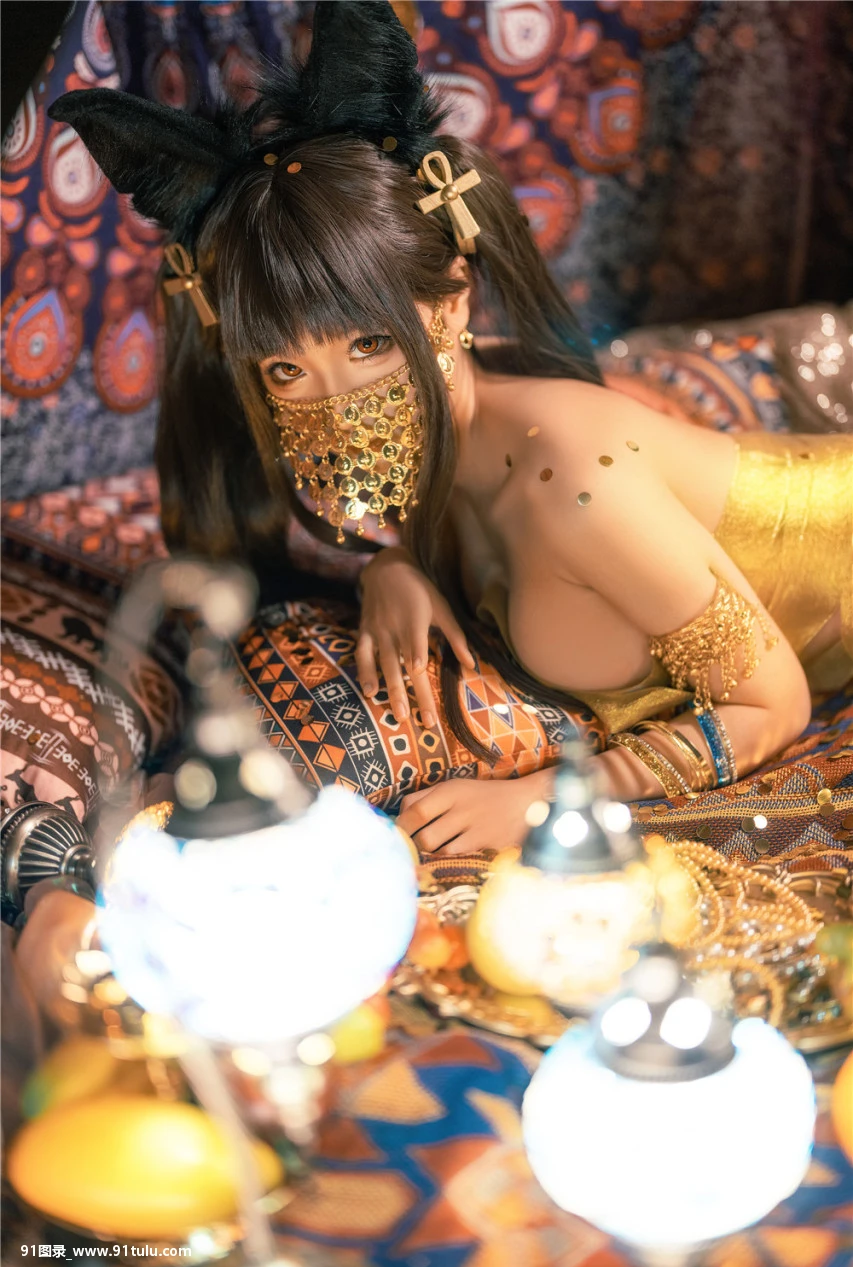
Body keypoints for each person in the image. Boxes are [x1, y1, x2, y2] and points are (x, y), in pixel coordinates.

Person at [46, 1, 852, 861]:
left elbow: (771, 704)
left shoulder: (577, 491)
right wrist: (393, 565)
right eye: (285, 370)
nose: (338, 403)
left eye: (369, 344)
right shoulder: (441, 445)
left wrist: (542, 800)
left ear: (455, 295)